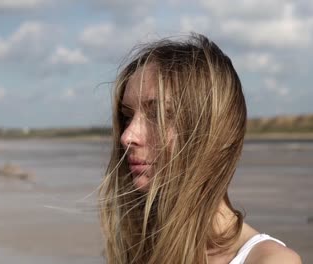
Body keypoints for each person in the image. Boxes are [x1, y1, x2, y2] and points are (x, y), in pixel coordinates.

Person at [99, 33, 301, 264]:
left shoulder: (267, 261)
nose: (127, 136)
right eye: (127, 116)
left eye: (157, 114)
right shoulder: (138, 249)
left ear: (211, 132)